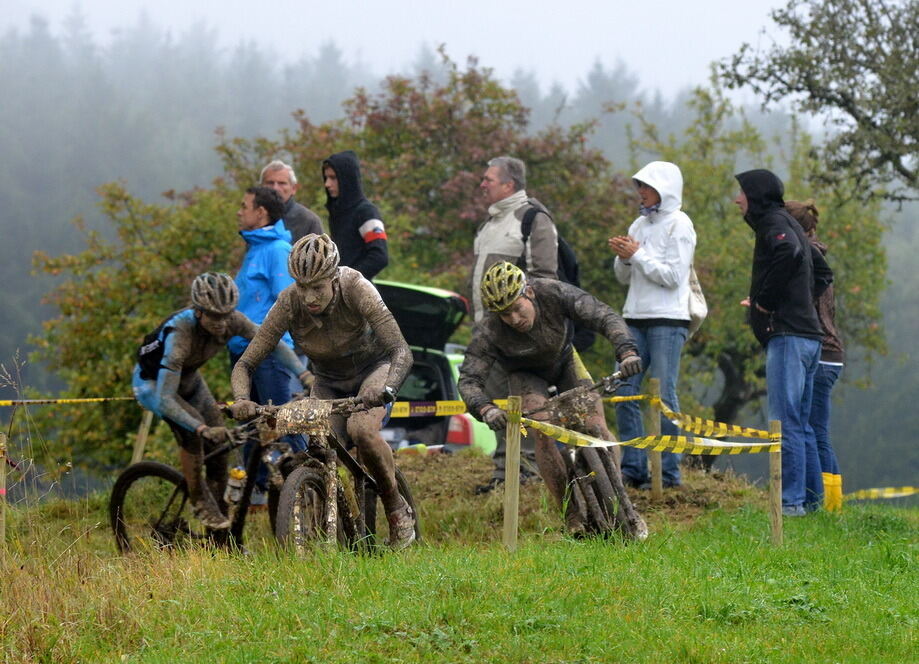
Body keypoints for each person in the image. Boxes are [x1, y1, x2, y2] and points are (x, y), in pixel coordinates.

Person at [229, 234, 416, 549]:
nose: (309, 297)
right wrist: (242, 400)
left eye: (317, 287)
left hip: (373, 372)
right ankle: (333, 525)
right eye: (302, 287)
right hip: (328, 380)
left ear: (334, 278)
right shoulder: (289, 302)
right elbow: (245, 364)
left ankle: (396, 507)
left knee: (362, 430)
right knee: (318, 447)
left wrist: (386, 389)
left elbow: (401, 351)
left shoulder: (357, 288)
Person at [458, 262, 645, 535]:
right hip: (525, 375)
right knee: (543, 434)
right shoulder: (489, 330)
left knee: (596, 426)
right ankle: (570, 515)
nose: (512, 319)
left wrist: (626, 351)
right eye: (503, 314)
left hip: (565, 361)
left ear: (529, 293)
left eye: (516, 308)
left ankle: (622, 502)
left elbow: (604, 316)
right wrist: (485, 409)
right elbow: (469, 380)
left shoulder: (553, 292)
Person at [132, 272, 307, 530]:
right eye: (214, 316)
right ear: (199, 312)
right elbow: (166, 399)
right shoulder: (179, 334)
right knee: (196, 437)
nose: (222, 323)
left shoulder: (232, 320)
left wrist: (304, 374)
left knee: (220, 448)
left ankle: (221, 529)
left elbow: (272, 343)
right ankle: (200, 499)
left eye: (227, 315)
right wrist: (202, 429)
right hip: (154, 386)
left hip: (189, 379)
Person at [734, 170, 833, 516]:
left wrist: (766, 301)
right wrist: (799, 300)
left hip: (789, 338)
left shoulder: (774, 224)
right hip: (810, 337)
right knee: (802, 423)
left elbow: (789, 253)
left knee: (784, 422)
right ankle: (810, 502)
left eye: (742, 193)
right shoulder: (789, 222)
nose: (737, 200)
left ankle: (789, 504)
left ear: (756, 195)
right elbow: (823, 273)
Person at [471, 155, 559, 493]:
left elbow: (546, 279)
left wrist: (521, 322)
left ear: (509, 184)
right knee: (496, 402)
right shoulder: (490, 222)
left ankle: (525, 476)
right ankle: (502, 476)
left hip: (517, 332)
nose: (482, 183)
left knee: (522, 402)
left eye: (488, 179)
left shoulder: (533, 218)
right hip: (487, 331)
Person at [608, 161, 696, 489]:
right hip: (635, 317)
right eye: (639, 187)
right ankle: (633, 468)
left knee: (663, 393)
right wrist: (625, 257)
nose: (640, 193)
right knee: (625, 390)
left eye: (645, 186)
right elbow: (624, 277)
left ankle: (669, 474)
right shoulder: (638, 225)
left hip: (668, 320)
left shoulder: (680, 225)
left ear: (664, 189)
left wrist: (639, 255)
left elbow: (674, 278)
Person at [229, 185, 308, 497]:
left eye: (244, 205)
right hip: (241, 353)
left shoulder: (276, 250)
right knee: (250, 427)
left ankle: (306, 480)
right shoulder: (255, 249)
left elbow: (287, 302)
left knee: (282, 423)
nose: (239, 210)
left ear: (261, 212)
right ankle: (256, 494)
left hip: (268, 355)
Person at [786, 199, 845, 511]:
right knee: (816, 430)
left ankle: (828, 504)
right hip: (831, 353)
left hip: (821, 352)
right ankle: (830, 502)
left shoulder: (807, 259)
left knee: (815, 430)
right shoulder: (816, 255)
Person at [322, 151, 388, 280]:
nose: (327, 184)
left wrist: (347, 280)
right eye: (326, 178)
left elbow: (379, 256)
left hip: (358, 294)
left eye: (333, 178)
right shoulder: (337, 213)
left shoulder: (366, 212)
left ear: (347, 179)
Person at [260, 159, 324, 243]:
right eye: (270, 183)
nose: (275, 188)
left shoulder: (309, 221)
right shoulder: (254, 216)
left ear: (294, 188)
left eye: (282, 183)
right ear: (261, 187)